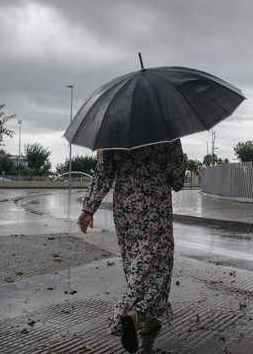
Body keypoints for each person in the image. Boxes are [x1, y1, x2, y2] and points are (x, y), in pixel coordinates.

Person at [77, 140, 187, 353]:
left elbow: (103, 174)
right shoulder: (166, 130)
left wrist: (88, 208)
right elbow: (177, 178)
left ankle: (149, 319)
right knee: (158, 265)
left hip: (125, 205)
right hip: (156, 204)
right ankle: (130, 313)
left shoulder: (115, 131)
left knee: (134, 262)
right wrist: (182, 160)